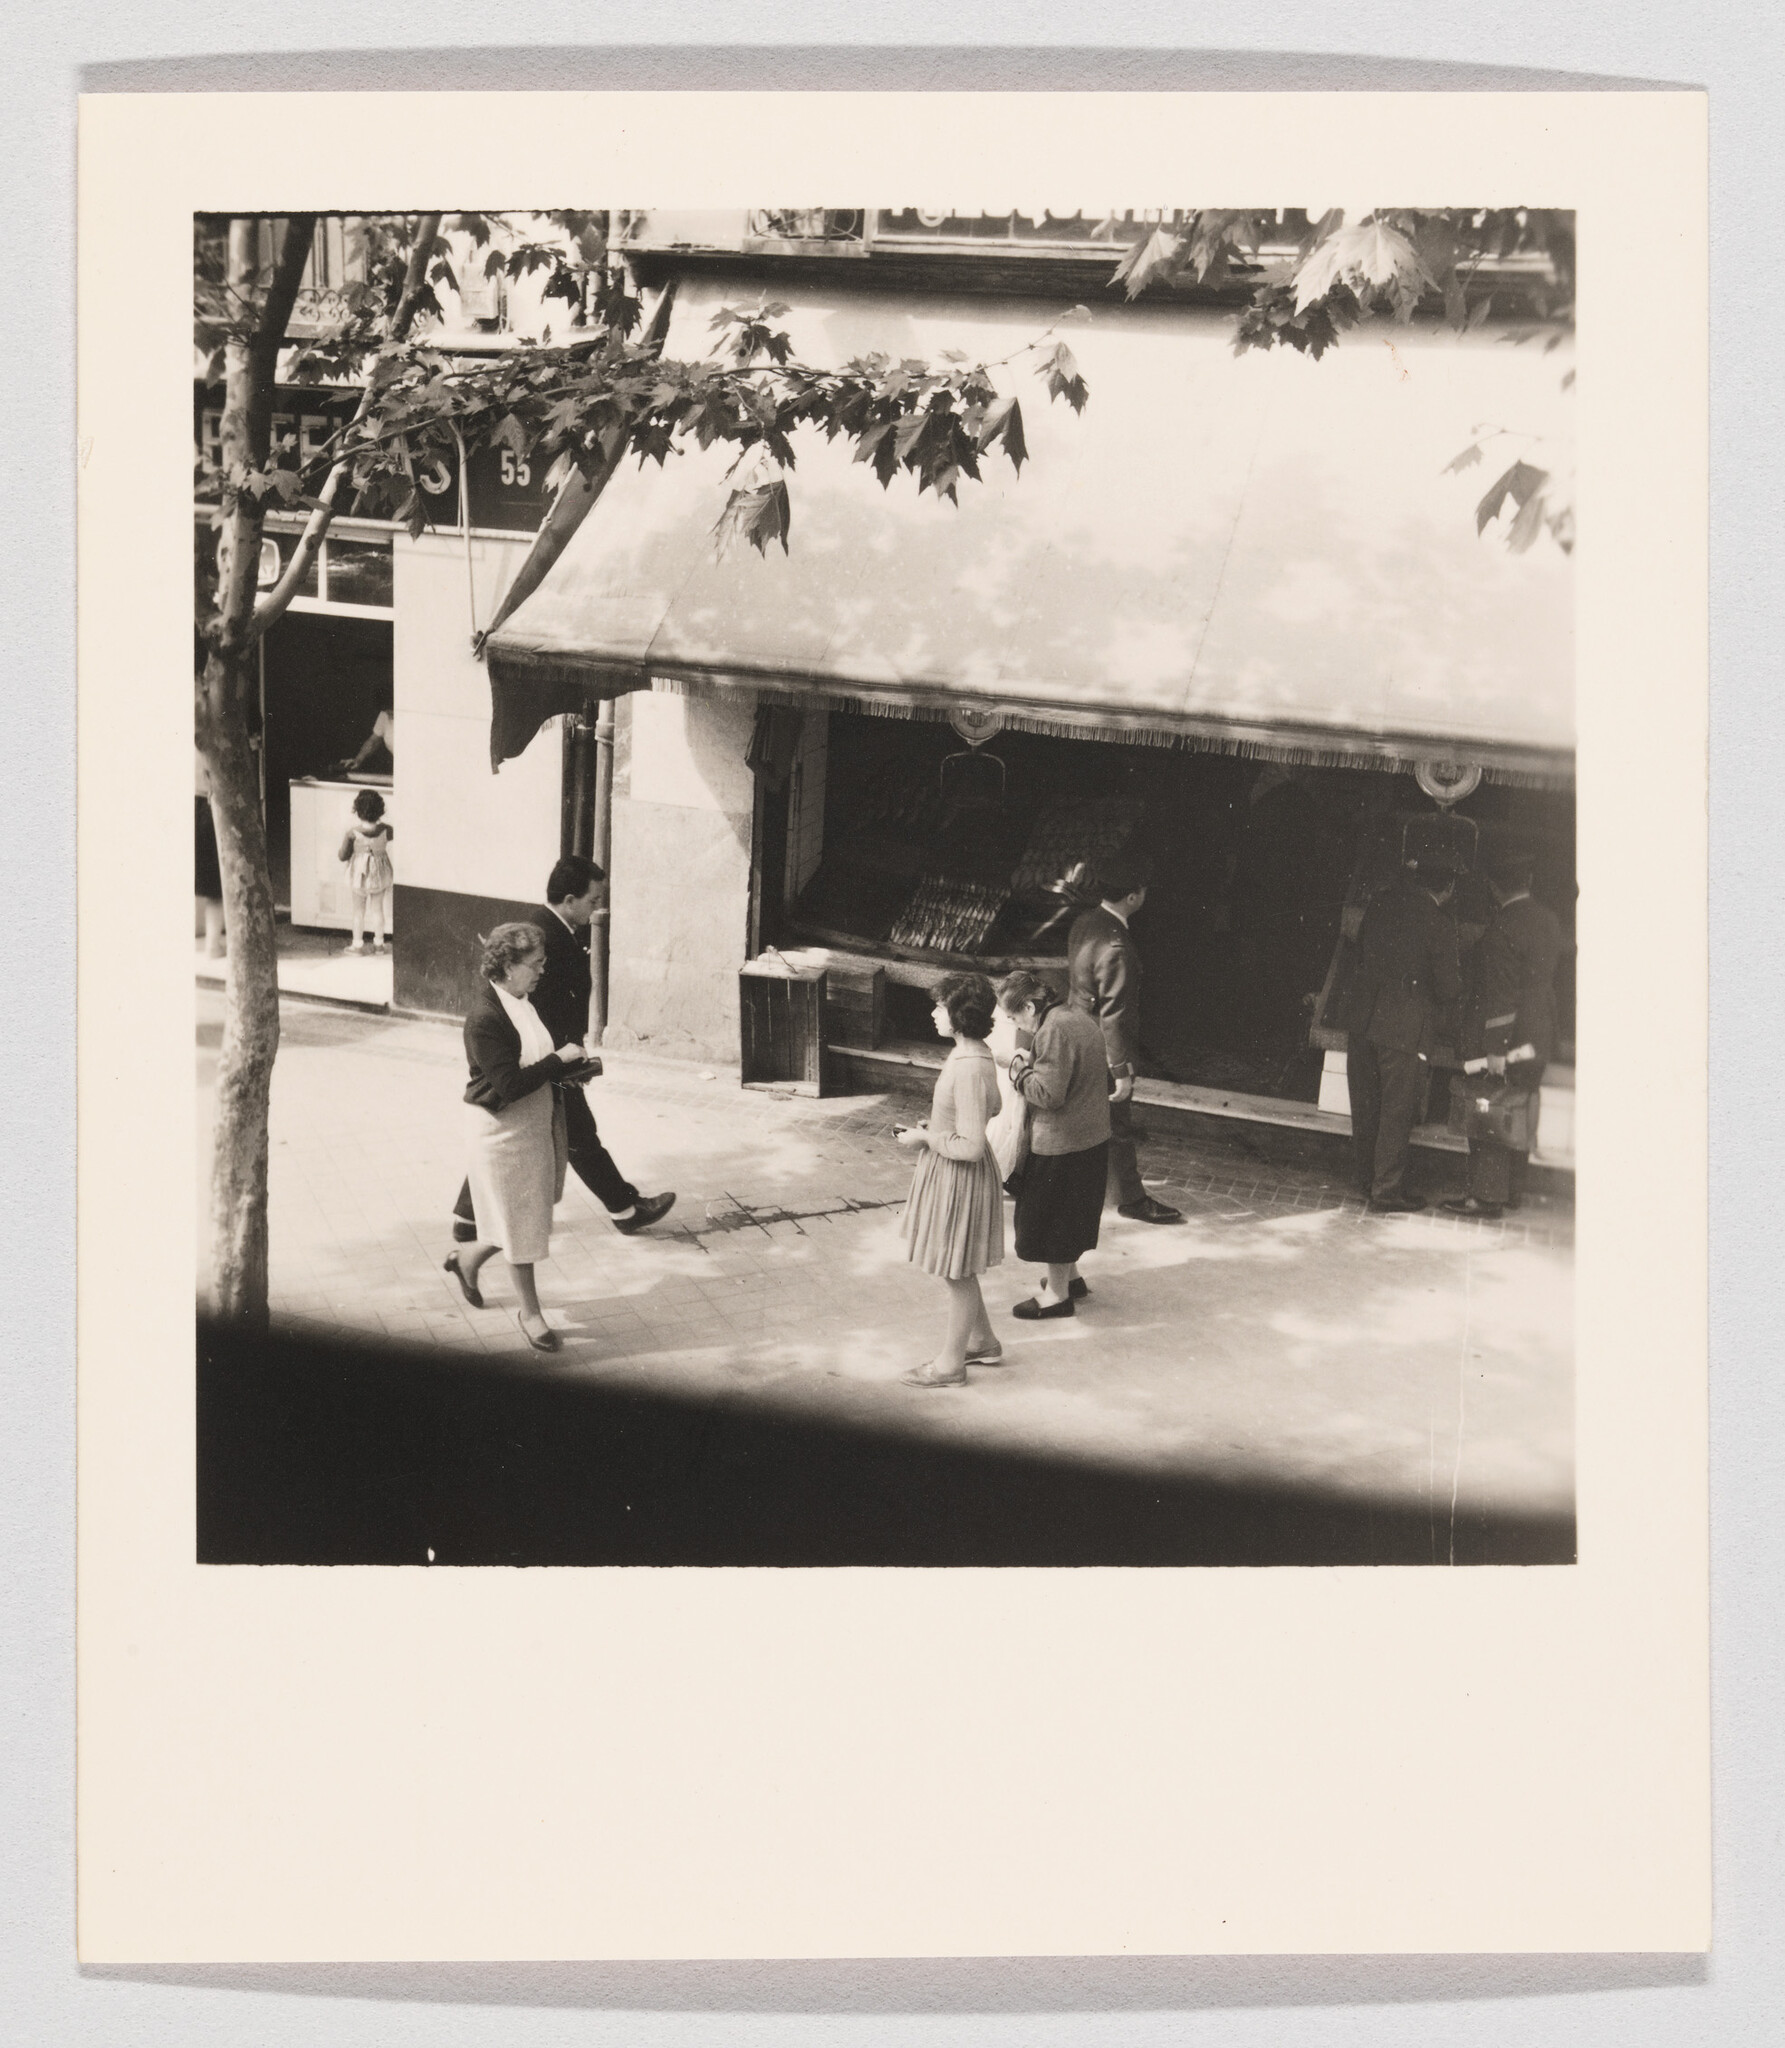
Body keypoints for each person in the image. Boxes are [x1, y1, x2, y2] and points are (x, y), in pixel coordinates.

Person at [450, 855, 675, 1245]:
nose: (597, 908)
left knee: (544, 1135)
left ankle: (468, 1220)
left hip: (553, 1054)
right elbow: (532, 1003)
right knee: (576, 1135)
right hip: (544, 1057)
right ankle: (624, 1208)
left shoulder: (559, 928)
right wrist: (562, 1057)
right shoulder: (543, 936)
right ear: (569, 899)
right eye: (592, 900)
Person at [445, 923, 599, 1352]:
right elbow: (510, 1084)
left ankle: (467, 1259)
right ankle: (530, 1314)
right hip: (502, 1133)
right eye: (534, 965)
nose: (540, 972)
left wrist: (572, 1067)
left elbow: (533, 1063)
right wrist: (558, 1059)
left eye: (542, 964)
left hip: (534, 1125)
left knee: (524, 1217)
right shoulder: (485, 1017)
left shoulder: (521, 1001)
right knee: (522, 1222)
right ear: (509, 966)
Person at [894, 975, 1007, 1388]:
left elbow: (972, 1145)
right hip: (951, 1172)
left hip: (959, 1177)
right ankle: (983, 1341)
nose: (933, 1012)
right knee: (955, 1266)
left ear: (959, 1016)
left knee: (956, 1272)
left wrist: (927, 1137)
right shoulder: (974, 1054)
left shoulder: (968, 1066)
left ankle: (950, 1365)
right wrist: (937, 1126)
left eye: (940, 1006)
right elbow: (984, 1111)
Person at [1336, 855, 1463, 1212]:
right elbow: (1450, 989)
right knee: (1396, 1110)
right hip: (1404, 1030)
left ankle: (1366, 1179)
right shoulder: (1440, 923)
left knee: (1365, 1103)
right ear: (1449, 888)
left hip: (1363, 1018)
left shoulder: (1381, 903)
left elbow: (1359, 951)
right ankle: (1386, 1191)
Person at [1443, 850, 1564, 1219]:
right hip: (1539, 1034)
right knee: (1519, 1104)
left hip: (1508, 1041)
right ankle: (1512, 1192)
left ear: (1495, 889)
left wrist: (1495, 1048)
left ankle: (1485, 1197)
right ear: (1527, 883)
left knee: (1492, 1105)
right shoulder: (1548, 920)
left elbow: (1501, 994)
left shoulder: (1503, 928)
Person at [1066, 846, 1183, 1224]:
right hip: (1099, 1044)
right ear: (1133, 896)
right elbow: (1114, 1016)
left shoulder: (1086, 921)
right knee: (1118, 1122)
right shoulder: (1118, 948)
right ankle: (1131, 1199)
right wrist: (1121, 1070)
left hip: (1074, 1032)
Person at [997, 968, 1112, 1320]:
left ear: (1030, 1008)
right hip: (1090, 1137)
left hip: (1061, 1143)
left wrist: (1016, 1069)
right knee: (1071, 1215)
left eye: (1015, 1015)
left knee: (1050, 1220)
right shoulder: (1076, 1017)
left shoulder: (1053, 1030)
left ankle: (1058, 1296)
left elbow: (1048, 1094)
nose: (1016, 1023)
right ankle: (1071, 1279)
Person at [337, 788, 395, 956]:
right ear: (381, 810)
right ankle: (379, 945)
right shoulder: (387, 830)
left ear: (357, 811)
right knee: (378, 910)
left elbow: (342, 855)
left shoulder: (352, 833)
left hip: (359, 878)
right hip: (379, 877)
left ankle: (357, 945)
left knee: (358, 911)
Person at [195, 747, 225, 959]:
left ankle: (211, 943)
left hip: (194, 801)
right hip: (207, 804)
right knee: (216, 884)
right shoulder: (210, 743)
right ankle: (213, 946)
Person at [339, 707, 394, 777]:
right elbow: (374, 741)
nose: (388, 713)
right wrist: (358, 759)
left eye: (391, 710)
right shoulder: (384, 714)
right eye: (387, 711)